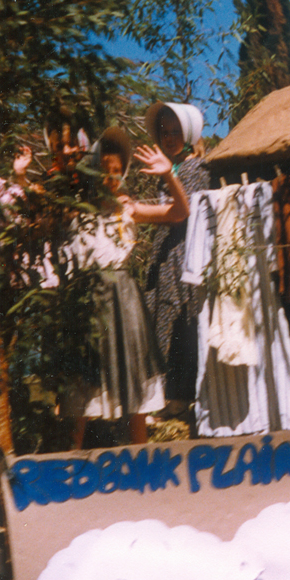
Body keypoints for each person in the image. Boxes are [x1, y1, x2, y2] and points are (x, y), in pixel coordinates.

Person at [64, 127, 190, 448]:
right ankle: (67, 464)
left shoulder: (128, 209)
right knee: (82, 394)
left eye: (117, 172)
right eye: (105, 171)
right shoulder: (78, 211)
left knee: (135, 392)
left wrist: (169, 175)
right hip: (89, 302)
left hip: (124, 303)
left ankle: (140, 465)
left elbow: (180, 212)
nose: (112, 178)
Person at [141, 102, 210, 414]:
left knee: (182, 318)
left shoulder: (197, 168)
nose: (169, 138)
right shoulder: (167, 170)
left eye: (176, 132)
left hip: (184, 254)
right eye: (164, 132)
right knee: (161, 319)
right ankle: (166, 395)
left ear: (190, 134)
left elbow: (182, 215)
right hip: (165, 254)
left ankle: (181, 396)